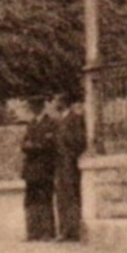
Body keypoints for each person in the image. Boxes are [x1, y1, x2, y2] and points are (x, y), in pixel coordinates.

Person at [21, 98, 61, 241]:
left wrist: (34, 146)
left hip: (44, 168)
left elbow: (49, 145)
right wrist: (35, 145)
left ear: (42, 106)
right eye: (32, 106)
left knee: (45, 199)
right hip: (31, 169)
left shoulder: (51, 123)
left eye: (36, 105)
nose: (34, 108)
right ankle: (32, 232)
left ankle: (47, 232)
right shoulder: (31, 124)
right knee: (31, 200)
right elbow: (23, 145)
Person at [53, 92, 86, 241]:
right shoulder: (59, 120)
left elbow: (79, 140)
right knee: (62, 196)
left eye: (57, 101)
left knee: (72, 195)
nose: (54, 104)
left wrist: (71, 155)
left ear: (63, 102)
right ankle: (64, 230)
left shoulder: (75, 119)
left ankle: (73, 230)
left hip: (69, 163)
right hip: (60, 162)